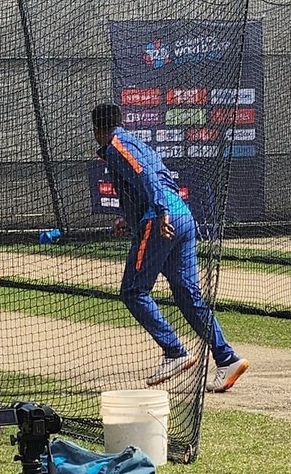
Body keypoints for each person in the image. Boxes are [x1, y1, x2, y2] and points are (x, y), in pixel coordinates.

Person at [91, 103, 250, 393]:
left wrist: (160, 212)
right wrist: (128, 218)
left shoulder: (116, 146)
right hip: (183, 216)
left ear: (97, 130)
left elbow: (147, 178)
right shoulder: (134, 141)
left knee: (133, 291)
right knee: (188, 295)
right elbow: (152, 180)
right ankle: (226, 358)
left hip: (161, 218)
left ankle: (174, 352)